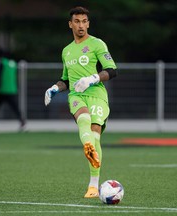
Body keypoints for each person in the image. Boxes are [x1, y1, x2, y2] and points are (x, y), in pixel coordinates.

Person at [44, 6, 117, 198]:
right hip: (76, 95)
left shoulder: (97, 44)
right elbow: (66, 80)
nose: (81, 25)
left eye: (84, 21)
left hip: (97, 95)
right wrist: (54, 88)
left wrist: (92, 78)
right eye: (77, 21)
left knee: (95, 134)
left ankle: (93, 185)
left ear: (88, 23)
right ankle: (88, 147)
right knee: (83, 118)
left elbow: (112, 69)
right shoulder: (66, 51)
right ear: (70, 24)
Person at [0, 49, 25, 131]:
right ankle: (22, 121)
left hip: (1, 90)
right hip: (12, 89)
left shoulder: (0, 63)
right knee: (15, 108)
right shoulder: (13, 63)